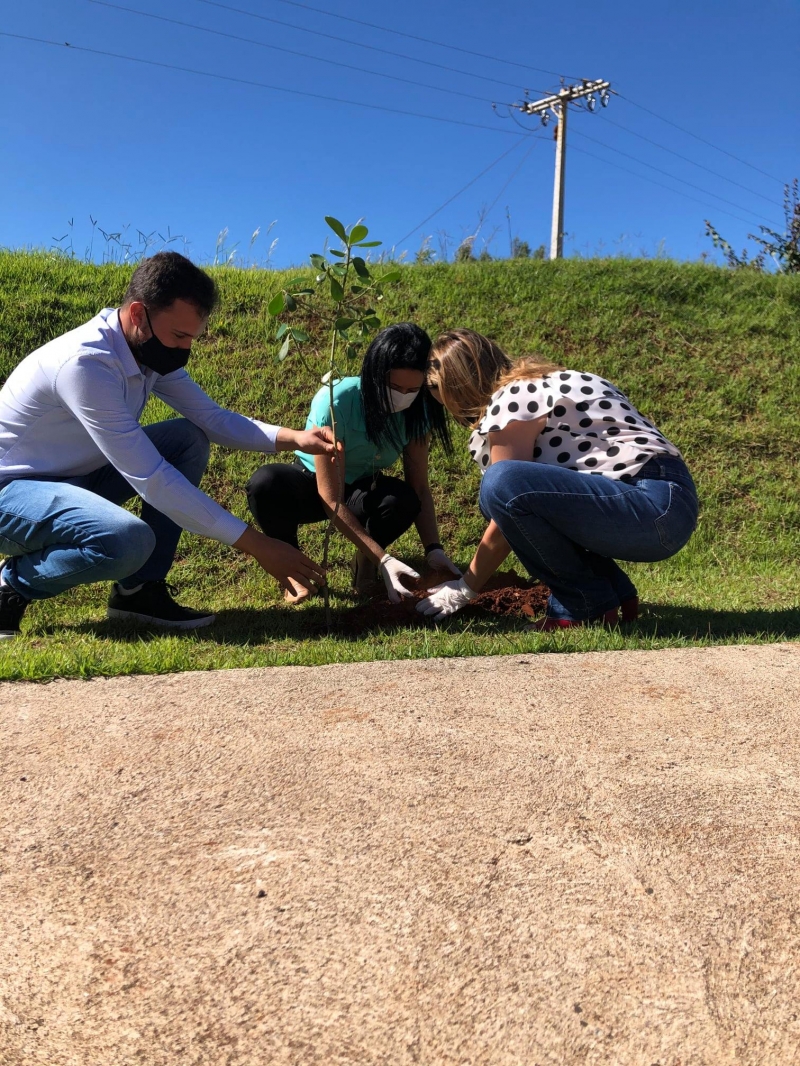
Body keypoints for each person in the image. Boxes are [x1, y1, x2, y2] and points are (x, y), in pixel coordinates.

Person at [0, 251, 336, 639]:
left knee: (187, 439)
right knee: (126, 540)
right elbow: (153, 479)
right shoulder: (85, 364)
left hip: (71, 478)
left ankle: (138, 592)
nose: (184, 349)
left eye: (192, 337)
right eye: (179, 336)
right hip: (11, 492)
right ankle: (12, 585)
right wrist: (259, 545)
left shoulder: (144, 351)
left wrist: (295, 438)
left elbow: (210, 418)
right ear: (139, 314)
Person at [417, 329, 698, 628]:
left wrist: (466, 586)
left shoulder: (512, 398)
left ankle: (582, 604)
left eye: (437, 390)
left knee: (499, 486)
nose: (441, 403)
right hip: (668, 502)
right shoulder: (555, 381)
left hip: (649, 506)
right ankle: (609, 594)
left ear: (459, 383)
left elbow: (505, 500)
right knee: (503, 496)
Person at [246, 322, 459, 604]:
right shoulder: (337, 400)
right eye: (394, 387)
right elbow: (330, 498)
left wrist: (434, 550)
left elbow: (419, 486)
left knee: (403, 500)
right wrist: (386, 559)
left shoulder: (420, 409)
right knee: (266, 484)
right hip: (314, 484)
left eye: (413, 389)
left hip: (362, 486)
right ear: (373, 376)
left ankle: (366, 563)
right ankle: (295, 573)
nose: (403, 396)